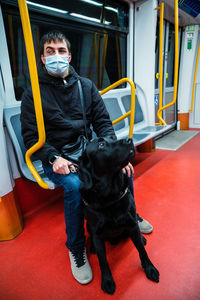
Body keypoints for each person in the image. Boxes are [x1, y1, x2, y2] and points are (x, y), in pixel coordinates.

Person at [20, 31, 153, 285]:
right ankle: (77, 245)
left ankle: (130, 215)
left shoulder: (86, 86)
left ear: (69, 56)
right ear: (42, 58)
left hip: (85, 150)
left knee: (122, 168)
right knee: (74, 186)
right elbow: (31, 137)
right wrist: (53, 158)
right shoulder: (33, 95)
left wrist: (115, 153)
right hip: (58, 157)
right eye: (50, 51)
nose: (56, 56)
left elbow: (103, 122)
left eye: (61, 51)